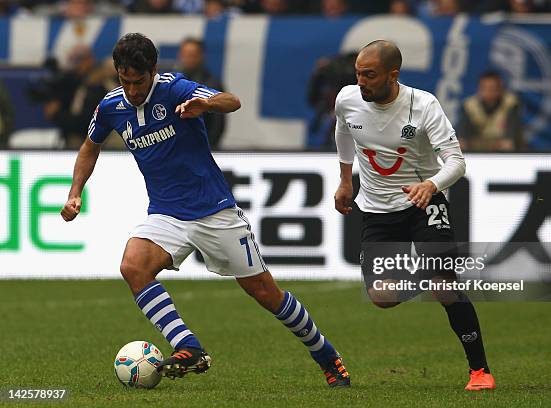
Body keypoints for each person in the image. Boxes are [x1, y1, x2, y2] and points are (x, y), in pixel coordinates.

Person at [60, 33, 350, 387]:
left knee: (265, 293)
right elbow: (90, 146)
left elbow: (232, 101)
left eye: (138, 81)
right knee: (133, 266)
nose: (132, 90)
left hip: (214, 211)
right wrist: (76, 191)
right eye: (125, 81)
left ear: (153, 70)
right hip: (166, 213)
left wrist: (206, 105)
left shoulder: (175, 88)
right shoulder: (111, 106)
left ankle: (324, 353)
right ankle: (188, 346)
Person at [333, 40, 495, 390]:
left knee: (444, 287)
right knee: (381, 297)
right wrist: (346, 182)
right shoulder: (347, 99)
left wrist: (431, 185)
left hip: (424, 204)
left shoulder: (423, 105)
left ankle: (480, 371)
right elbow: (343, 130)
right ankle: (427, 273)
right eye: (358, 73)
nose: (361, 82)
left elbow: (457, 163)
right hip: (377, 210)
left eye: (370, 75)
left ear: (394, 75)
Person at [176, 38, 225, 149]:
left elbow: (218, 123)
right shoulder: (173, 83)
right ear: (180, 55)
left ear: (201, 56)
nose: (188, 59)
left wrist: (210, 147)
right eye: (185, 54)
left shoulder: (211, 84)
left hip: (203, 148)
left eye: (192, 55)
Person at [457, 70, 524, 151]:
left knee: (508, 145)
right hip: (476, 152)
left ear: (500, 89)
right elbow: (462, 138)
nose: (487, 92)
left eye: (492, 88)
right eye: (484, 88)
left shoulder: (510, 104)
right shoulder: (470, 106)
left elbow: (510, 140)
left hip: (502, 153)